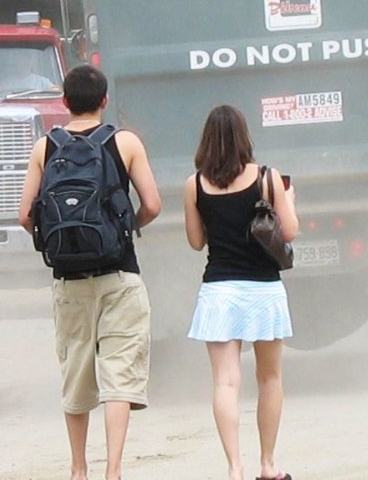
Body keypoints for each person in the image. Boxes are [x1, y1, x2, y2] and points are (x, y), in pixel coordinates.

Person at [18, 64, 161, 480]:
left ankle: (78, 469)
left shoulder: (45, 147)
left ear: (64, 102)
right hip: (120, 275)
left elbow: (25, 214)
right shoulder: (125, 142)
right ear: (104, 100)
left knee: (77, 373)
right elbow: (152, 204)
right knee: (118, 373)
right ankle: (112, 470)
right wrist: (124, 228)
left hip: (69, 281)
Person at [183, 105, 299, 480]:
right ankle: (268, 465)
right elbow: (290, 232)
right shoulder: (267, 179)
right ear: (244, 136)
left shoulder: (195, 184)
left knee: (225, 382)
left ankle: (234, 468)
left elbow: (196, 241)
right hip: (263, 289)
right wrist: (289, 200)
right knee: (270, 378)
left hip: (219, 289)